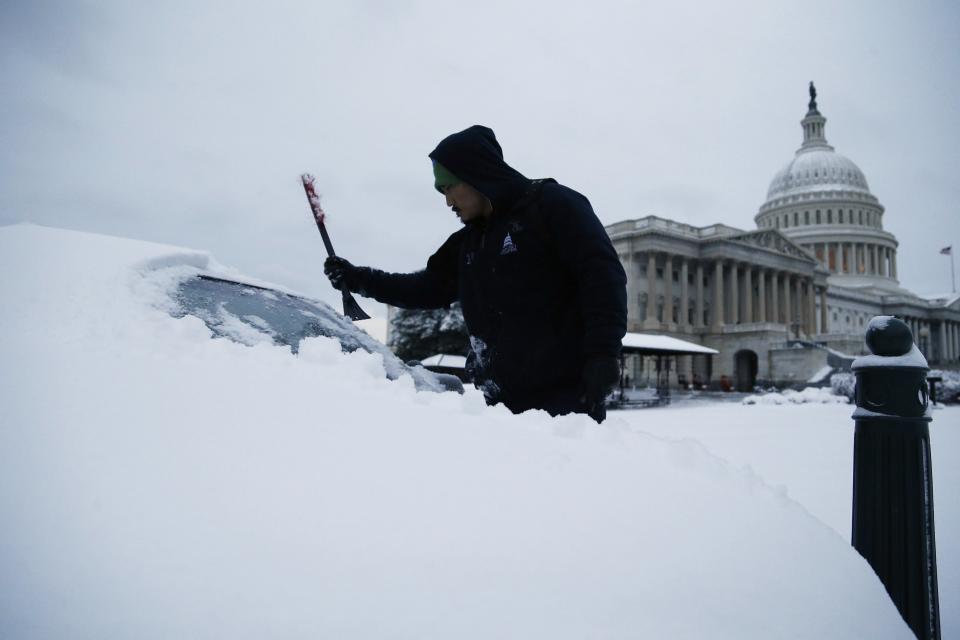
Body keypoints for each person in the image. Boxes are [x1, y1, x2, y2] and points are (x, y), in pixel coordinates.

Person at [324, 125, 626, 422]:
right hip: (499, 408)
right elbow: (425, 288)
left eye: (449, 187)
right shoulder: (469, 244)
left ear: (474, 174)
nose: (447, 202)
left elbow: (602, 275)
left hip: (566, 405)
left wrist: (604, 352)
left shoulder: (552, 206)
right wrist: (358, 278)